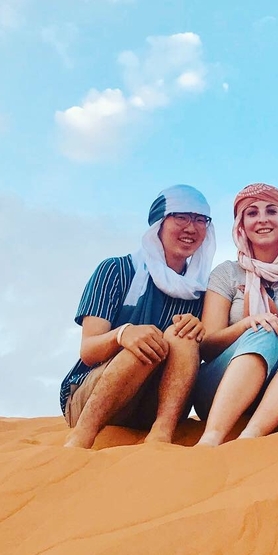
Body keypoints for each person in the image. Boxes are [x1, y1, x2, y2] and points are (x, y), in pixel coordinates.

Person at [61, 184, 216, 449]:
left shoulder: (201, 292)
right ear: (159, 222)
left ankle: (161, 438)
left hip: (155, 407)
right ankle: (79, 442)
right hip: (90, 398)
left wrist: (199, 331)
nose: (191, 227)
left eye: (200, 219)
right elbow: (88, 350)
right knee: (144, 343)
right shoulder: (116, 270)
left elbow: (209, 351)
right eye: (181, 217)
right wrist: (123, 335)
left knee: (183, 336)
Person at [192, 183, 278, 446]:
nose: (262, 219)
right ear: (241, 224)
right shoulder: (227, 272)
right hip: (221, 391)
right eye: (252, 213)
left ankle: (250, 439)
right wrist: (247, 325)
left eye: (272, 211)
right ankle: (210, 440)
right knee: (264, 330)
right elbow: (207, 347)